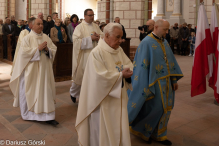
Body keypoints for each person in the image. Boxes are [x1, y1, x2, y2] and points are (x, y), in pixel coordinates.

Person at [75, 22, 133, 146]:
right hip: (102, 101)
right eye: (117, 37)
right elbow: (99, 78)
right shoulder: (97, 53)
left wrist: (128, 72)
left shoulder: (118, 50)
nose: (120, 40)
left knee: (118, 125)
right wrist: (120, 75)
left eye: (121, 37)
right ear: (106, 36)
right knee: (103, 131)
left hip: (119, 98)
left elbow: (128, 64)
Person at [127, 19, 183, 146]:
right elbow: (140, 67)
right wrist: (143, 85)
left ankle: (160, 135)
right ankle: (142, 131)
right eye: (165, 29)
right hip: (153, 82)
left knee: (167, 108)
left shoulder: (164, 41)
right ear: (156, 27)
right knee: (156, 108)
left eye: (168, 29)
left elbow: (170, 61)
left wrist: (173, 79)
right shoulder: (146, 42)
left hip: (167, 82)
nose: (167, 32)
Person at [9, 18, 58, 126]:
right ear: (32, 25)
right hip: (31, 72)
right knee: (32, 91)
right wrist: (37, 49)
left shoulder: (46, 37)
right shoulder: (27, 38)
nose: (41, 26)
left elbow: (53, 49)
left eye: (42, 24)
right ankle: (30, 114)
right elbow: (23, 54)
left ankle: (48, 116)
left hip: (45, 71)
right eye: (38, 24)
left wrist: (47, 50)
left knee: (46, 91)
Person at [70, 9, 103, 103]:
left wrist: (99, 37)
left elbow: (103, 36)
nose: (92, 17)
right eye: (90, 15)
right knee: (80, 78)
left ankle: (88, 98)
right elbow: (76, 41)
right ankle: (73, 93)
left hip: (95, 56)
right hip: (84, 56)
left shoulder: (96, 26)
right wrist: (90, 39)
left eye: (93, 15)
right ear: (85, 16)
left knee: (92, 78)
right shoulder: (80, 27)